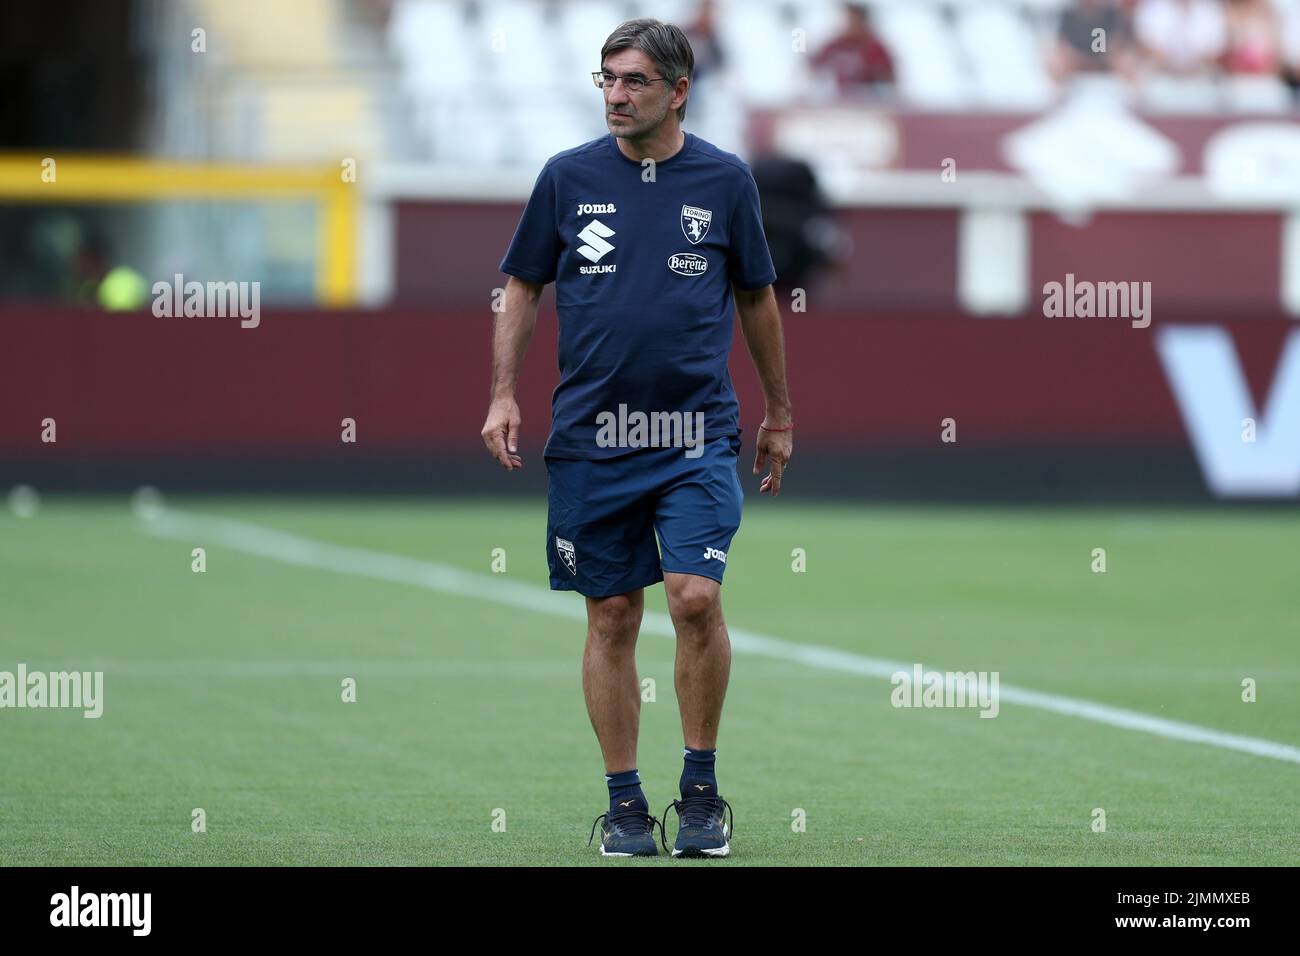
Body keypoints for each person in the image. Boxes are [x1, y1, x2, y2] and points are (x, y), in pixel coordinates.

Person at [480, 18, 793, 858]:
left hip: (695, 432)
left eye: (634, 82)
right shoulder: (566, 178)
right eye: (606, 80)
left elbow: (759, 298)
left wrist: (780, 412)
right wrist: (504, 394)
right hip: (593, 438)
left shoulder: (726, 181)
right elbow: (521, 286)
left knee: (694, 596)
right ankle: (625, 807)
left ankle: (699, 793)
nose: (616, 96)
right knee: (613, 614)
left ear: (678, 90)